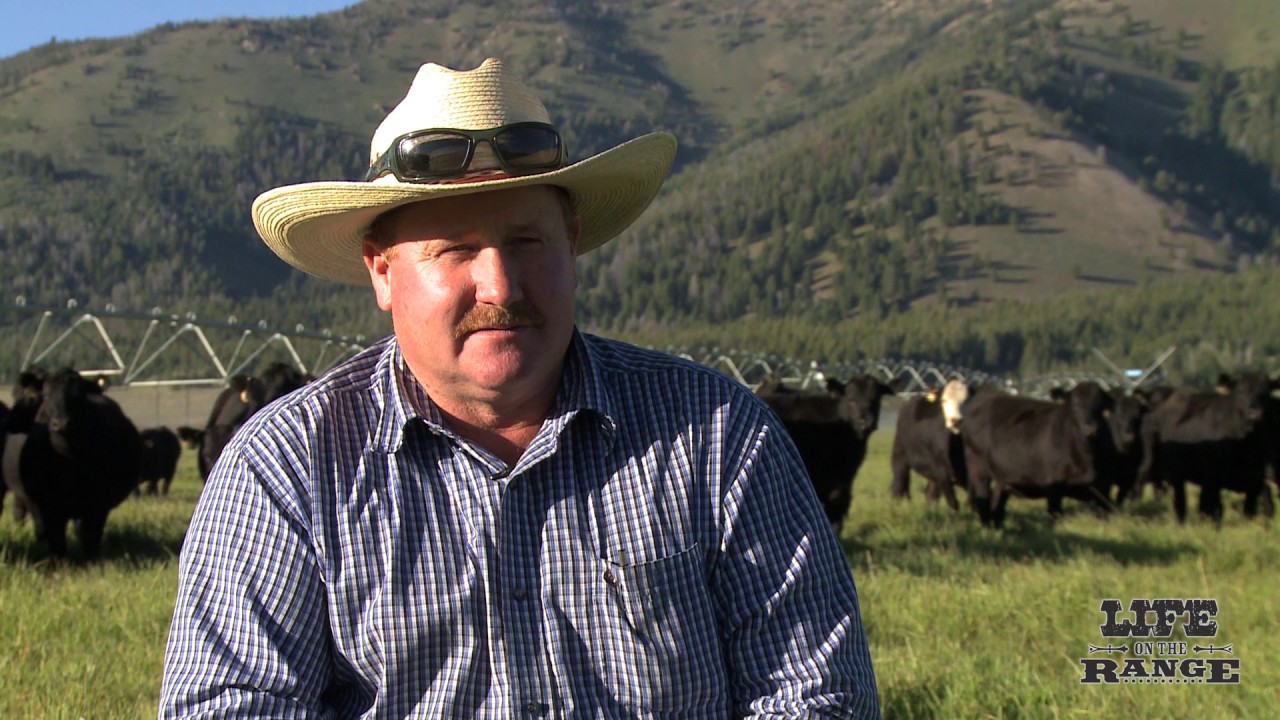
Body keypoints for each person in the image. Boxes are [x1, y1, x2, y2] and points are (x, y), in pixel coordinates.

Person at [160, 58, 881, 718]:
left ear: (570, 241)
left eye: (526, 242)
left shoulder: (716, 434)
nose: (499, 284)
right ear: (382, 270)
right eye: (456, 249)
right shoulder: (286, 470)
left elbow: (818, 695)